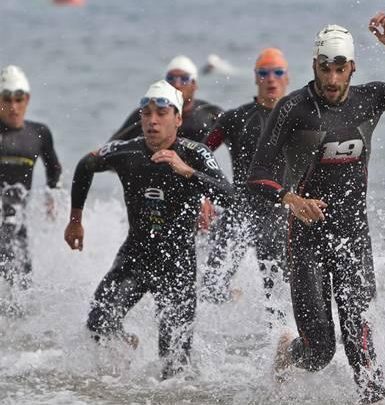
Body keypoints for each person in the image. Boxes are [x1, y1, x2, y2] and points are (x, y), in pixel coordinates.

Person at [248, 13, 385, 404]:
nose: (331, 78)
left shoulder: (371, 97)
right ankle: (286, 355)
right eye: (325, 68)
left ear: (351, 68)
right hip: (305, 240)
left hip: (353, 237)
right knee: (320, 351)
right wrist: (291, 199)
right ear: (314, 66)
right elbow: (257, 175)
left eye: (340, 68)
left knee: (360, 341)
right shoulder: (292, 109)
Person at [64, 80, 233, 379]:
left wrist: (188, 172)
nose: (152, 121)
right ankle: (125, 348)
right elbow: (85, 164)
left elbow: (230, 196)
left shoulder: (196, 154)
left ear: (178, 118)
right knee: (98, 323)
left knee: (174, 367)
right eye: (146, 113)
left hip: (177, 265)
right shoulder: (126, 152)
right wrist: (75, 219)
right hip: (136, 257)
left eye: (162, 113)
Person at [201, 48, 290, 321]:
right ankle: (221, 345)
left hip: (280, 212)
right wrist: (204, 197)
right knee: (212, 287)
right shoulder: (235, 118)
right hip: (241, 209)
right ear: (255, 78)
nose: (270, 79)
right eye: (264, 73)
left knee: (278, 296)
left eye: (277, 72)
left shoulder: (298, 116)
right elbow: (201, 153)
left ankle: (280, 347)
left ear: (287, 78)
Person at [0, 65, 61, 291]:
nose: (13, 107)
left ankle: (17, 327)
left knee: (24, 285)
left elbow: (54, 169)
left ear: (27, 99)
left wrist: (52, 196)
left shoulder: (39, 133)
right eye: (7, 99)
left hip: (18, 223)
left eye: (19, 99)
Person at [109, 55, 223, 142]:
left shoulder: (210, 113)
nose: (177, 84)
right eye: (171, 78)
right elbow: (111, 150)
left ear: (194, 85)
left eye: (184, 78)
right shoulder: (145, 115)